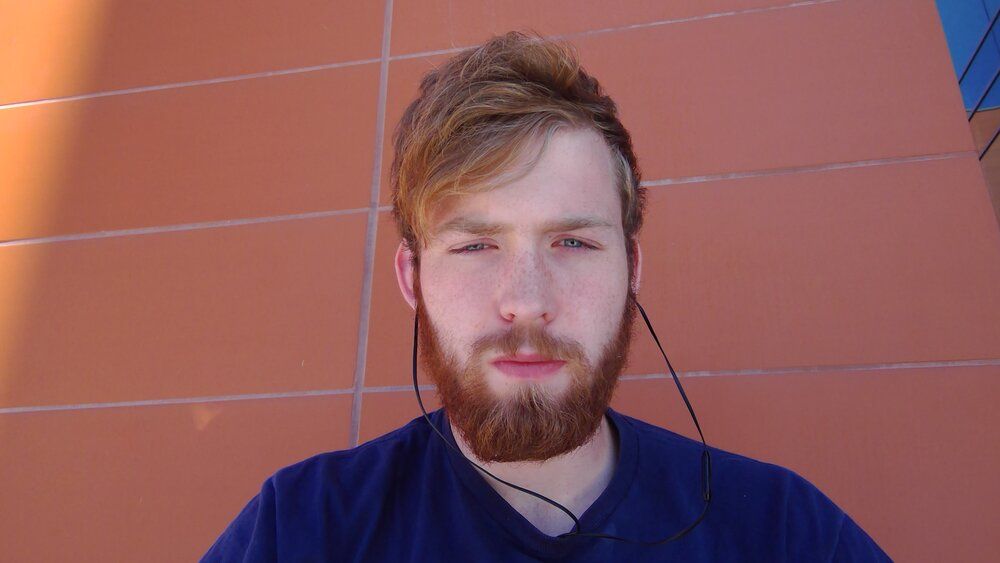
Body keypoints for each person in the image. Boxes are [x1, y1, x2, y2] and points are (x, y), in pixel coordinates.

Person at [202, 31, 891, 562]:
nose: (527, 302)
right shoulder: (300, 529)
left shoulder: (786, 531)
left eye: (573, 242)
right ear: (412, 280)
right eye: (476, 245)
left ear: (632, 268)